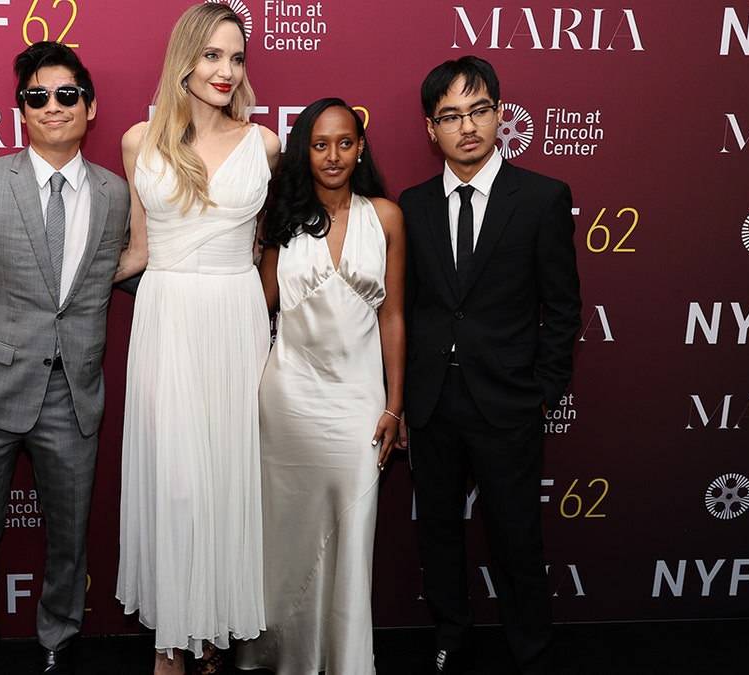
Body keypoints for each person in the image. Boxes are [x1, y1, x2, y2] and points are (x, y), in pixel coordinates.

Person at [0, 42, 130, 675]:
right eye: (37, 96)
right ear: (21, 109)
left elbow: (130, 273)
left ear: (90, 107)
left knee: (70, 539)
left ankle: (58, 636)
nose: (53, 106)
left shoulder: (115, 194)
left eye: (67, 94)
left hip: (73, 393)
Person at [113, 3, 281, 674]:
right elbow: (137, 249)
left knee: (225, 476)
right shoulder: (138, 141)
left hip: (237, 315)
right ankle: (169, 639)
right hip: (168, 312)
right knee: (176, 479)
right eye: (212, 55)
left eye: (236, 57)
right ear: (184, 58)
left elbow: (271, 246)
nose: (225, 70)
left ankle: (210, 632)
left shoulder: (265, 143)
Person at [400, 56, 581, 675]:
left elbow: (562, 307)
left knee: (516, 537)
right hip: (431, 402)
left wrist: (544, 389)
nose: (467, 126)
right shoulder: (413, 204)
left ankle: (530, 647)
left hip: (508, 401)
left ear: (500, 114)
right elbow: (411, 306)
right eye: (450, 116)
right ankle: (451, 637)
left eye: (479, 110)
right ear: (432, 129)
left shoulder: (542, 198)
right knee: (439, 535)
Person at [235, 98, 406, 675]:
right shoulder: (281, 221)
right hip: (287, 401)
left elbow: (395, 317)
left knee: (354, 532)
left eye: (345, 143)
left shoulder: (385, 217)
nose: (333, 156)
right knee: (283, 535)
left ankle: (346, 659)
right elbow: (261, 309)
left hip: (360, 401)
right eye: (319, 144)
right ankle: (276, 653)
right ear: (303, 151)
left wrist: (396, 402)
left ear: (361, 149)